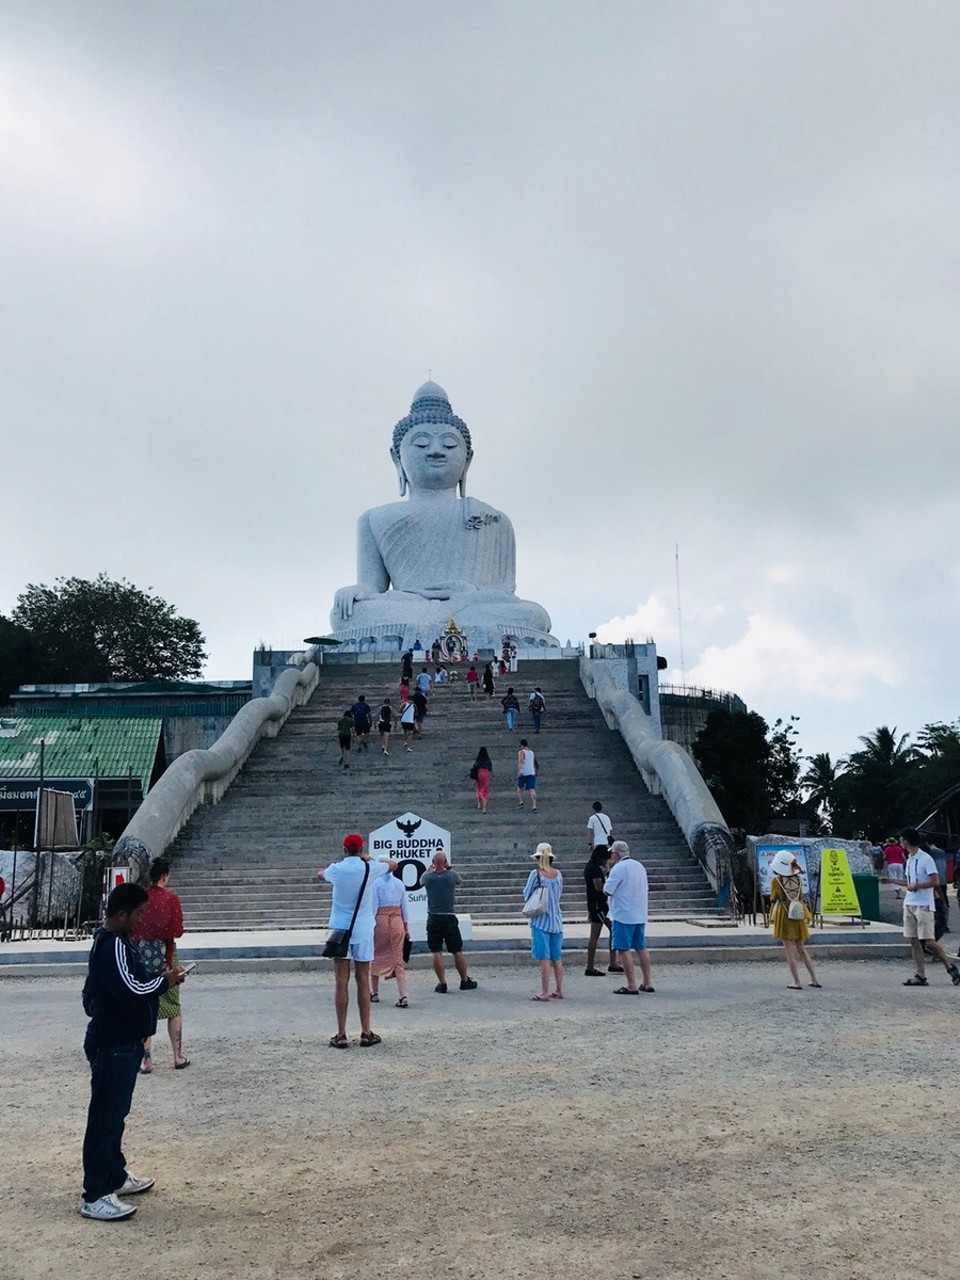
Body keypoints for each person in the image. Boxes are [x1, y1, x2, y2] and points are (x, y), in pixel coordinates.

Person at [80, 882, 185, 1221]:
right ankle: (95, 1193)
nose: (142, 920)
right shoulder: (113, 945)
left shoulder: (116, 942)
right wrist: (164, 982)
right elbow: (131, 987)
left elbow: (97, 992)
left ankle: (115, 1175)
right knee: (105, 1119)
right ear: (121, 914)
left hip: (120, 1040)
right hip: (113, 1043)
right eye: (138, 914)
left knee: (114, 1116)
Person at [319, 833, 398, 1048]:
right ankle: (365, 1031)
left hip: (340, 931)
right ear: (360, 849)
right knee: (363, 979)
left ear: (344, 849)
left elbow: (321, 874)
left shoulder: (336, 869)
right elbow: (393, 864)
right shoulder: (368, 868)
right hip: (363, 929)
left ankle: (341, 1033)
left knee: (340, 983)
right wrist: (370, 859)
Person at [133, 858, 190, 1072]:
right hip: (166, 955)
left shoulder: (141, 899)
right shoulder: (171, 899)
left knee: (145, 1006)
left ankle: (146, 1059)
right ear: (165, 875)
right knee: (173, 1006)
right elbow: (177, 931)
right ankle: (177, 1056)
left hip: (142, 957)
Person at [890, 828, 960, 988]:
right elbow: (909, 883)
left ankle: (950, 967)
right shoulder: (909, 859)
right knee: (913, 940)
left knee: (929, 941)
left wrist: (917, 886)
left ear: (906, 841)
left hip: (924, 904)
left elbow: (935, 881)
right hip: (910, 903)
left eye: (901, 840)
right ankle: (920, 975)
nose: (900, 843)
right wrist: (892, 880)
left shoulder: (925, 858)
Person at [420, 850, 478, 994]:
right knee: (457, 950)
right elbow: (460, 881)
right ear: (445, 862)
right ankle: (464, 980)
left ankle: (442, 983)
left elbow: (421, 881)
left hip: (433, 916)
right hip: (449, 916)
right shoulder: (451, 875)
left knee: (436, 951)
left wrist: (430, 868)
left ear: (433, 862)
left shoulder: (428, 877)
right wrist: (449, 867)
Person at [603, 841, 654, 994]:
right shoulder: (639, 866)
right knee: (641, 947)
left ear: (616, 854)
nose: (610, 856)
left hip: (623, 913)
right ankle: (647, 982)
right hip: (639, 912)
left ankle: (631, 984)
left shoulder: (618, 868)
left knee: (623, 948)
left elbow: (608, 890)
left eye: (611, 853)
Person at [768, 850, 821, 990]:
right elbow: (801, 897)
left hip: (784, 914)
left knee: (789, 950)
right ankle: (814, 979)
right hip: (797, 912)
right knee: (801, 948)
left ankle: (796, 981)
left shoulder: (776, 881)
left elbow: (773, 898)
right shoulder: (798, 879)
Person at [524, 843, 564, 1001]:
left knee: (544, 958)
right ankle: (559, 990)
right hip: (556, 919)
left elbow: (527, 895)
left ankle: (545, 992)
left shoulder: (536, 874)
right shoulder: (558, 875)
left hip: (541, 920)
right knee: (557, 958)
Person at [370, 869, 410, 1008]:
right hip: (397, 920)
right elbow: (404, 908)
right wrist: (406, 928)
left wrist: (370, 924)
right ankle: (402, 994)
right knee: (397, 958)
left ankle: (374, 992)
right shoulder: (399, 883)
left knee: (376, 954)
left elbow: (374, 906)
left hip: (381, 920)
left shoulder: (376, 883)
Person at [583, 845, 616, 976]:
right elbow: (598, 887)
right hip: (598, 906)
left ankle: (612, 963)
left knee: (600, 934)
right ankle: (591, 967)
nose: (606, 862)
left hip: (596, 905)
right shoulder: (594, 869)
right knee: (607, 932)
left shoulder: (590, 866)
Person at [516, 739, 537, 811]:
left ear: (522, 745)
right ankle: (534, 805)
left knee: (519, 787)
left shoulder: (521, 752)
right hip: (531, 772)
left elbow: (520, 761)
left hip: (523, 772)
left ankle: (521, 802)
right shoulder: (531, 752)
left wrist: (519, 771)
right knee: (532, 789)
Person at [471, 746, 493, 814]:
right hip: (486, 774)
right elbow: (490, 768)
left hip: (479, 774)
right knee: (485, 790)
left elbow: (475, 767)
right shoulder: (488, 760)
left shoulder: (478, 759)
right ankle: (484, 809)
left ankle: (479, 804)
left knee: (479, 788)